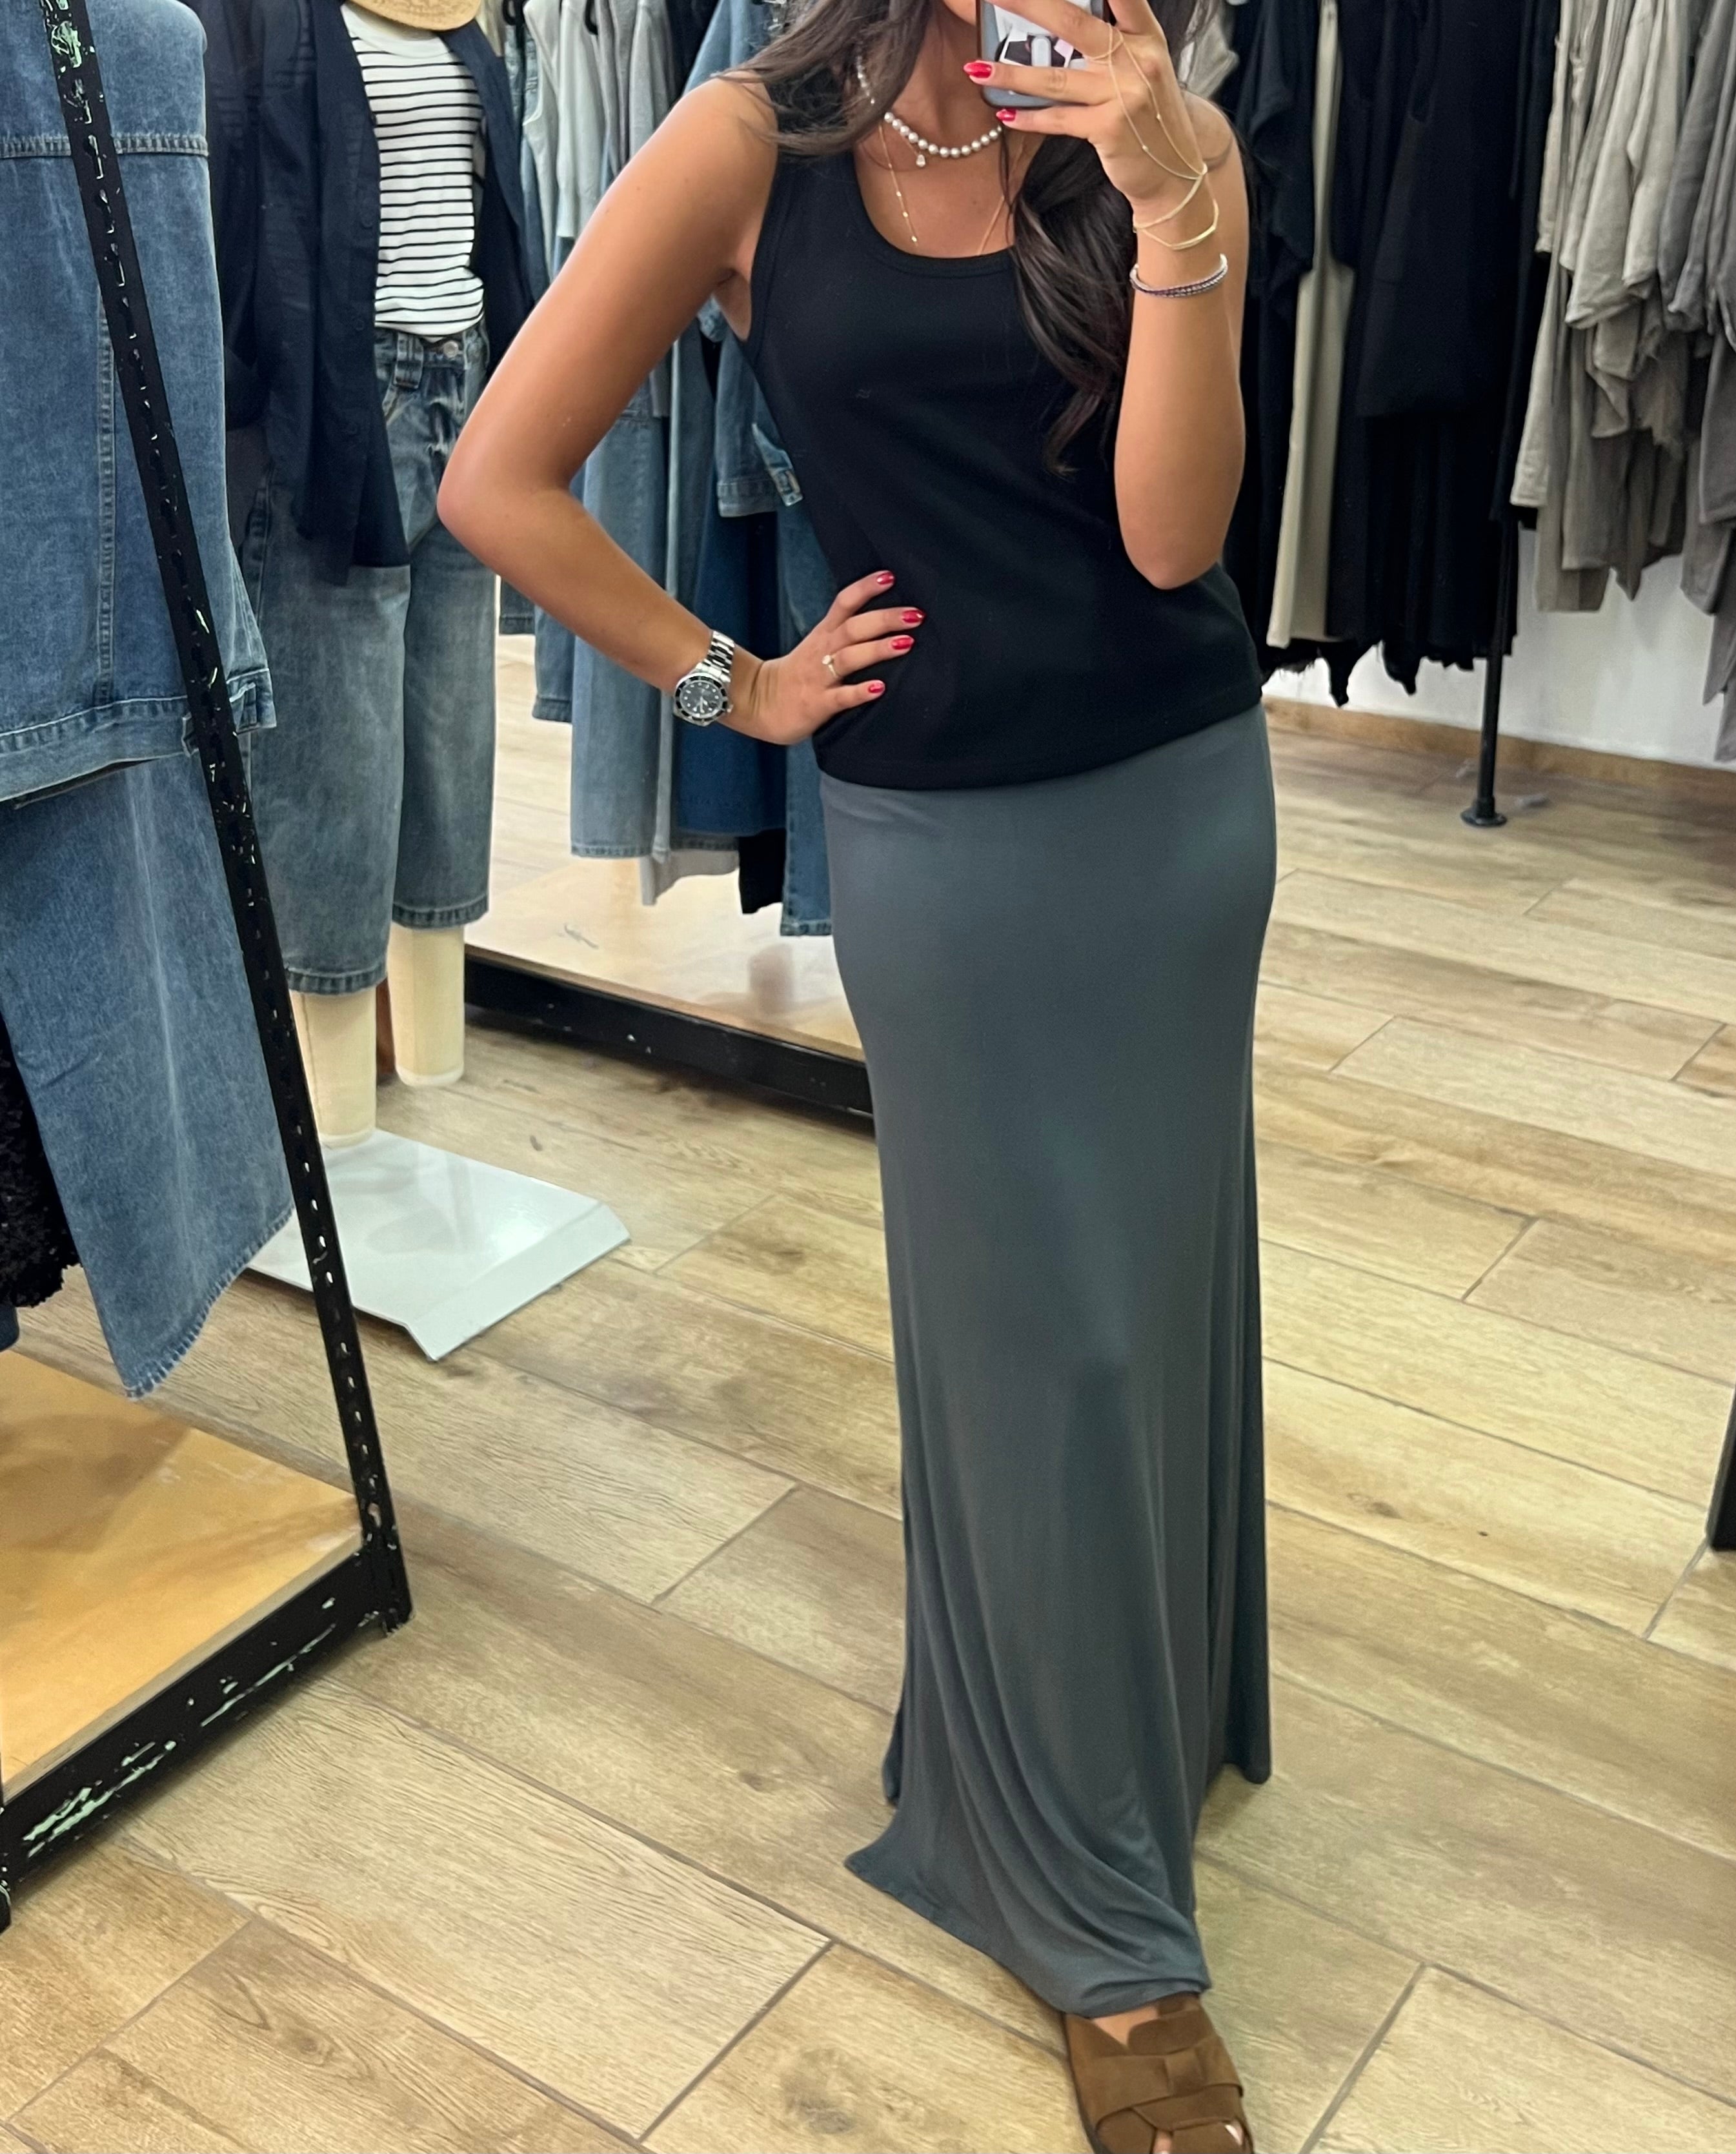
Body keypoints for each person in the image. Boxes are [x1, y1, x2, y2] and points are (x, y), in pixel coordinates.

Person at [440, 0, 1271, 2141]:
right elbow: (494, 479)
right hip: (941, 846)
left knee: (1156, 1290)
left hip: (1181, 810)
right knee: (1039, 1347)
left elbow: (1172, 541)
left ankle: (1137, 1723)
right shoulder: (753, 143)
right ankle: (1102, 1923)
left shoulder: (1166, 136)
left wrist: (1175, 192)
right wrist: (732, 681)